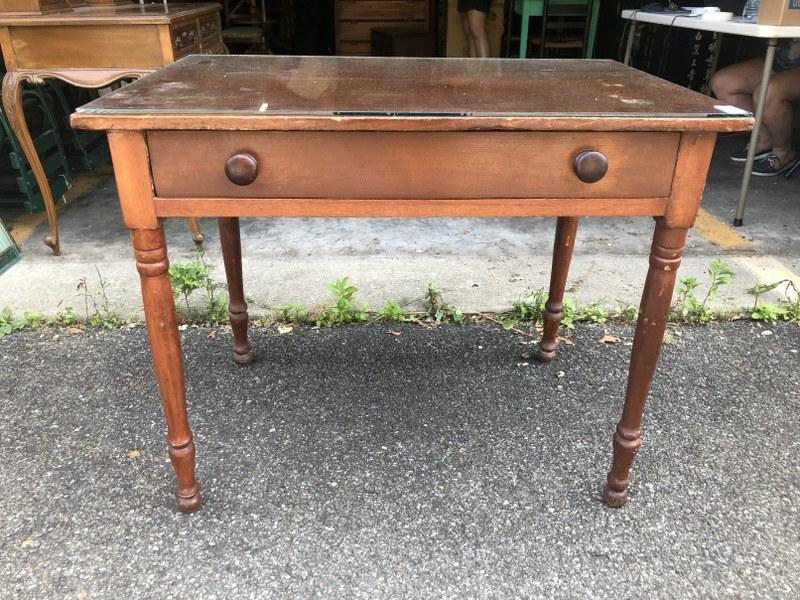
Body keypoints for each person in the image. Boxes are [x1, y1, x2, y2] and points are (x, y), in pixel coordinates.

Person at [711, 39, 800, 177]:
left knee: (767, 92)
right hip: (782, 59)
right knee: (723, 83)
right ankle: (764, 139)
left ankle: (784, 153)